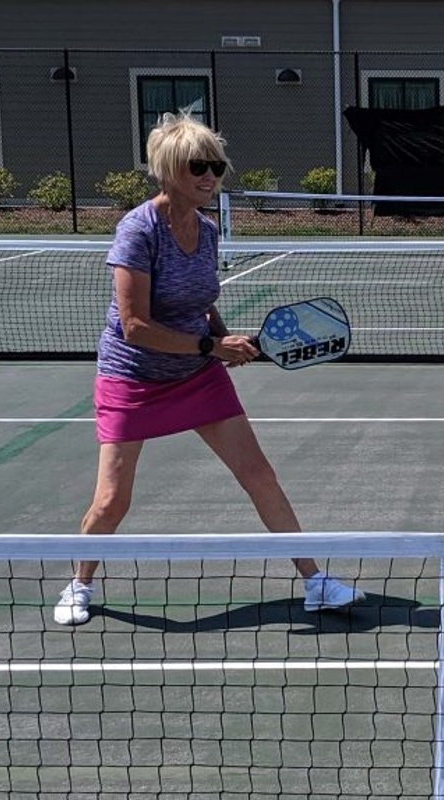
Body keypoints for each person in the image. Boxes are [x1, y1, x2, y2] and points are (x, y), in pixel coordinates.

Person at [54, 111, 363, 625]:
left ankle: (315, 581)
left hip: (195, 375)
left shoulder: (209, 230)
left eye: (216, 167)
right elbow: (134, 325)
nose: (210, 177)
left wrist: (220, 337)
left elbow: (202, 302)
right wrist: (210, 347)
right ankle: (79, 583)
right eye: (198, 166)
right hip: (132, 379)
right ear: (169, 169)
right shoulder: (138, 230)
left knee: (259, 474)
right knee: (112, 499)